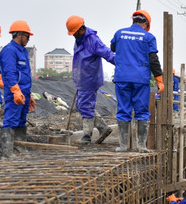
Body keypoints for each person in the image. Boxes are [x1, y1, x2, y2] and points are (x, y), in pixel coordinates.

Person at [111, 10, 164, 152]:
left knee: (123, 109)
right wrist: (159, 79)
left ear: (133, 20)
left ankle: (123, 146)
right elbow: (153, 59)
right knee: (142, 111)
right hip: (140, 79)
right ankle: (141, 146)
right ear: (146, 23)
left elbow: (113, 48)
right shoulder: (148, 37)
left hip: (122, 78)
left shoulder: (119, 34)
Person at [67, 15, 115, 144]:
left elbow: (106, 52)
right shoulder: (79, 40)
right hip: (82, 79)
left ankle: (87, 135)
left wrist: (120, 62)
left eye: (74, 33)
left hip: (90, 78)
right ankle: (103, 127)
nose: (73, 36)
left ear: (81, 29)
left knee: (85, 105)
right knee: (81, 105)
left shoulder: (92, 39)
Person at [0, 20, 37, 157]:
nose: (28, 39)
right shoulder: (9, 51)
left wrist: (28, 95)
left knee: (21, 120)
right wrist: (16, 91)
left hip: (24, 93)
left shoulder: (23, 52)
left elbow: (25, 74)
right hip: (15, 93)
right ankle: (7, 153)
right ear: (19, 35)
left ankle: (20, 149)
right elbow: (9, 73)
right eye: (27, 36)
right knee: (11, 120)